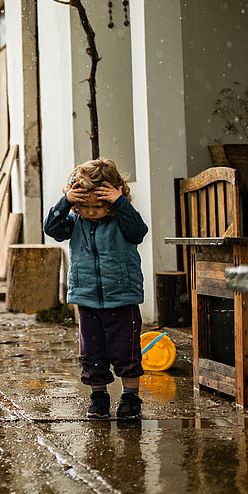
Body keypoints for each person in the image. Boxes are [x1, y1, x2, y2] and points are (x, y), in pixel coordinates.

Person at [43, 158, 149, 420]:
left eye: (98, 206)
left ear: (113, 197)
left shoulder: (123, 219)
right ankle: (98, 396)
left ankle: (130, 397)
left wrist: (120, 202)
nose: (91, 212)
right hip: (87, 297)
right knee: (92, 353)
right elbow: (51, 229)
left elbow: (138, 232)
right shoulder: (75, 222)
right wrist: (66, 201)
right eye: (85, 207)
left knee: (127, 351)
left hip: (122, 297)